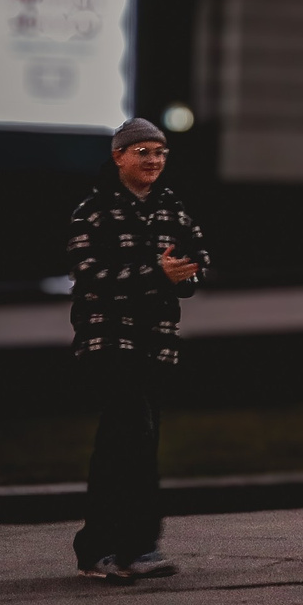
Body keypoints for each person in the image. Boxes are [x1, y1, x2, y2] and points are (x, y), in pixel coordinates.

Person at [67, 118, 209, 581]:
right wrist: (157, 276)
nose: (153, 160)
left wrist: (183, 275)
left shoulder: (175, 209)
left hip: (156, 343)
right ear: (119, 157)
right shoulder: (92, 211)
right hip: (108, 341)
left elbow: (198, 262)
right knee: (135, 435)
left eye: (160, 152)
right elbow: (90, 277)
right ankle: (135, 546)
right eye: (142, 151)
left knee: (125, 443)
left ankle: (105, 548)